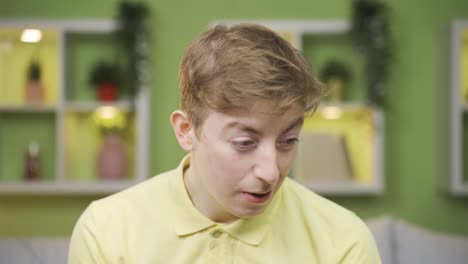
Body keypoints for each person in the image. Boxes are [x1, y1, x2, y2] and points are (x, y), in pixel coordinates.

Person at [68, 23, 382, 263]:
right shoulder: (106, 231)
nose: (271, 172)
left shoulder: (344, 241)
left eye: (288, 141)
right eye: (245, 142)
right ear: (186, 130)